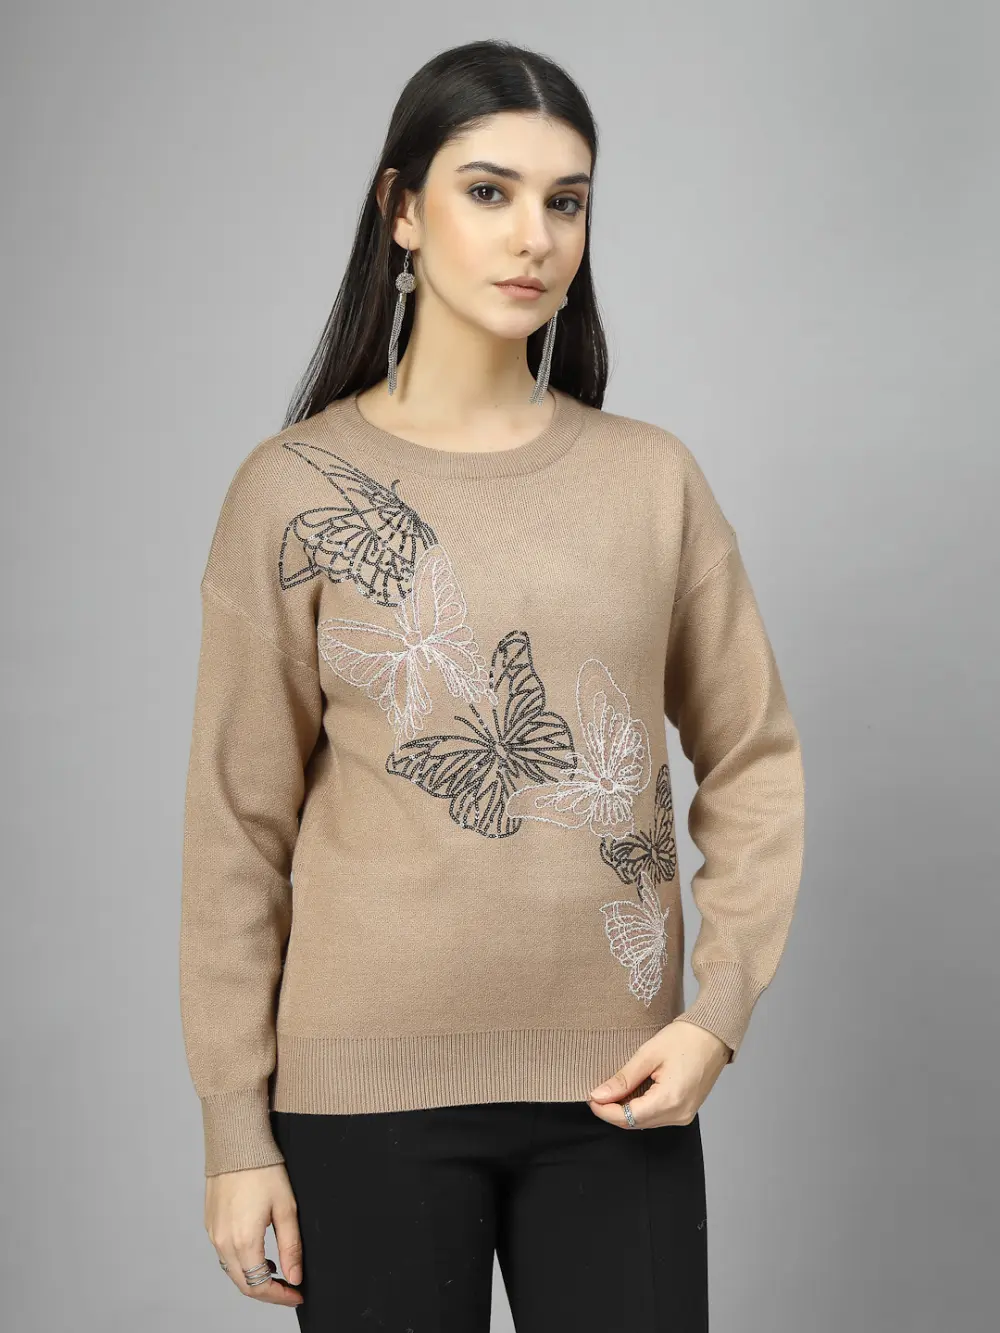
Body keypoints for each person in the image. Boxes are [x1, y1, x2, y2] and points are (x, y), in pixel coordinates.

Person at [179, 37, 806, 1332]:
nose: (536, 236)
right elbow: (237, 828)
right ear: (401, 210)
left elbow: (753, 757)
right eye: (489, 191)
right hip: (361, 1100)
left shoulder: (651, 481)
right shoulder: (293, 490)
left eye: (566, 201)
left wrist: (718, 1014)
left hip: (621, 1090)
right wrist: (236, 1130)